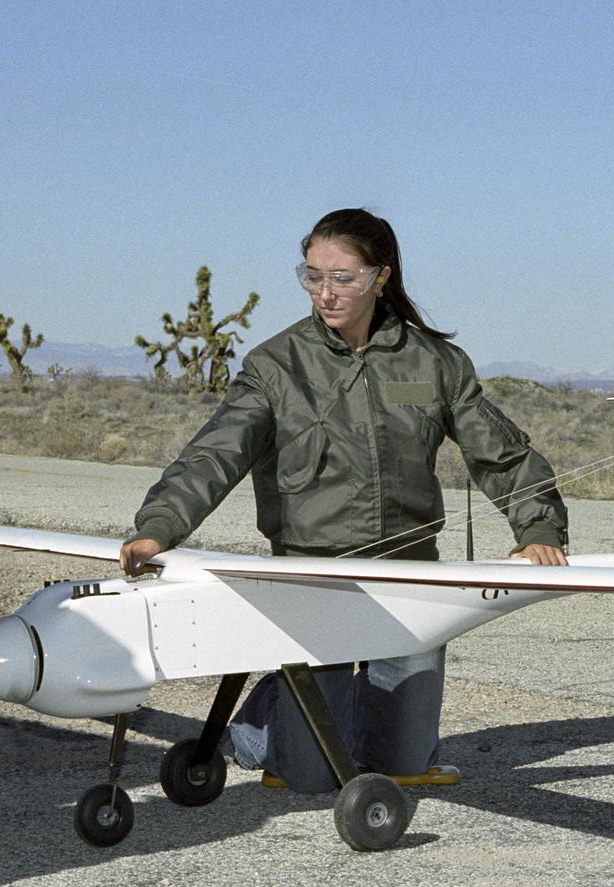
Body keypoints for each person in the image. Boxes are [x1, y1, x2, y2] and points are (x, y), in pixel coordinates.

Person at [119, 208, 568, 793]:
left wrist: (539, 531)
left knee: (402, 765)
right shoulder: (276, 365)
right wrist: (159, 527)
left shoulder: (432, 363)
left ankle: (342, 706)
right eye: (312, 277)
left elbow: (501, 455)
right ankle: (262, 716)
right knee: (309, 778)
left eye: (343, 278)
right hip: (313, 574)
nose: (325, 293)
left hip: (408, 576)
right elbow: (215, 454)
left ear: (381, 277)